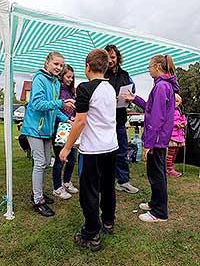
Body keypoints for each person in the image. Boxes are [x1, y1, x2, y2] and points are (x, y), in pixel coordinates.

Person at [59, 49, 118, 251]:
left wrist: (67, 147)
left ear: (87, 67)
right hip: (111, 147)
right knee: (108, 187)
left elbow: (80, 121)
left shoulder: (84, 88)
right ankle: (108, 221)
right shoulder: (110, 88)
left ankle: (91, 234)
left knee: (89, 192)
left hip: (92, 150)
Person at [122, 54, 180, 222]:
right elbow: (150, 107)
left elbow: (157, 117)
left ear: (158, 67)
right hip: (159, 138)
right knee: (155, 172)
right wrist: (135, 99)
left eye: (149, 67)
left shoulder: (161, 86)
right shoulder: (162, 86)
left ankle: (160, 213)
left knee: (157, 175)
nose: (148, 70)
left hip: (157, 139)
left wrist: (148, 143)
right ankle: (155, 203)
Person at [21, 52, 75, 217]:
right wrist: (61, 103)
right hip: (34, 129)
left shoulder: (55, 83)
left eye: (61, 65)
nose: (58, 67)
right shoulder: (39, 79)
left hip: (46, 130)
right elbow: (36, 104)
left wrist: (66, 120)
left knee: (45, 163)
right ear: (47, 63)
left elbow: (53, 108)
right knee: (40, 163)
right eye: (56, 64)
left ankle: (39, 193)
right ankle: (38, 200)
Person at [104, 44, 139, 194]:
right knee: (105, 153)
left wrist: (129, 99)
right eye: (107, 57)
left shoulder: (125, 75)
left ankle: (123, 181)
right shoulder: (101, 74)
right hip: (104, 120)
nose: (110, 60)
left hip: (119, 119)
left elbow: (133, 91)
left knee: (122, 151)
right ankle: (105, 181)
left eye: (113, 57)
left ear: (118, 57)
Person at [52, 65, 78, 199]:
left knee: (72, 157)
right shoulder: (56, 89)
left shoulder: (71, 90)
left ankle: (67, 182)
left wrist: (73, 117)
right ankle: (57, 187)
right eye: (68, 76)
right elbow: (55, 109)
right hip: (59, 128)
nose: (70, 79)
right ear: (61, 75)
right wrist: (67, 118)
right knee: (60, 158)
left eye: (72, 77)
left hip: (70, 127)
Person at [166, 94, 187, 177]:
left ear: (180, 102)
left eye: (177, 101)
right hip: (172, 135)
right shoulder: (168, 110)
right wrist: (175, 124)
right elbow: (167, 121)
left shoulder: (180, 111)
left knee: (175, 152)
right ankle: (169, 169)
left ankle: (171, 167)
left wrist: (183, 123)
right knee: (171, 153)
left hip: (179, 135)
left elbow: (184, 120)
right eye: (173, 101)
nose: (175, 103)